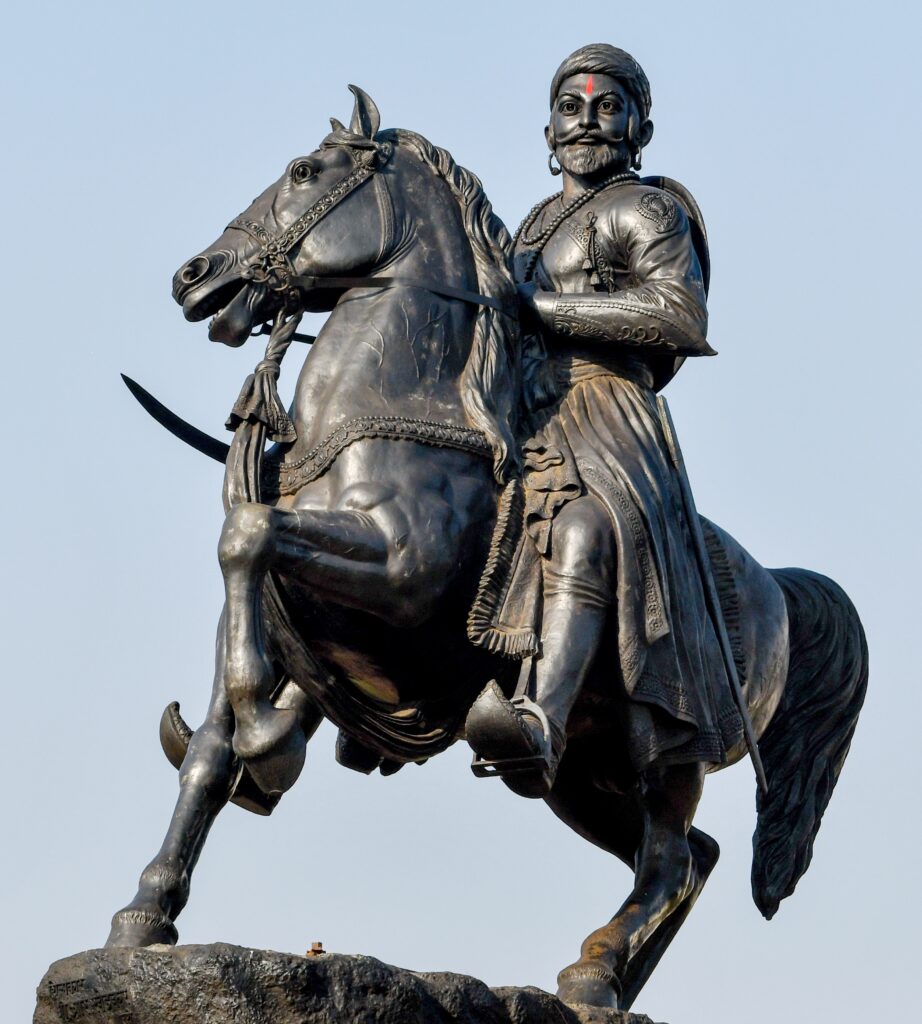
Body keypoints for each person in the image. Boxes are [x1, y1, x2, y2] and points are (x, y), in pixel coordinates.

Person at [466, 43, 742, 797]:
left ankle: (541, 723)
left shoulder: (647, 208)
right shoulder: (525, 227)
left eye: (606, 107)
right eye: (570, 108)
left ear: (639, 130)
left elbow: (679, 314)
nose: (586, 122)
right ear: (547, 132)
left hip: (603, 407)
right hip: (518, 407)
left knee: (583, 529)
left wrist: (542, 309)